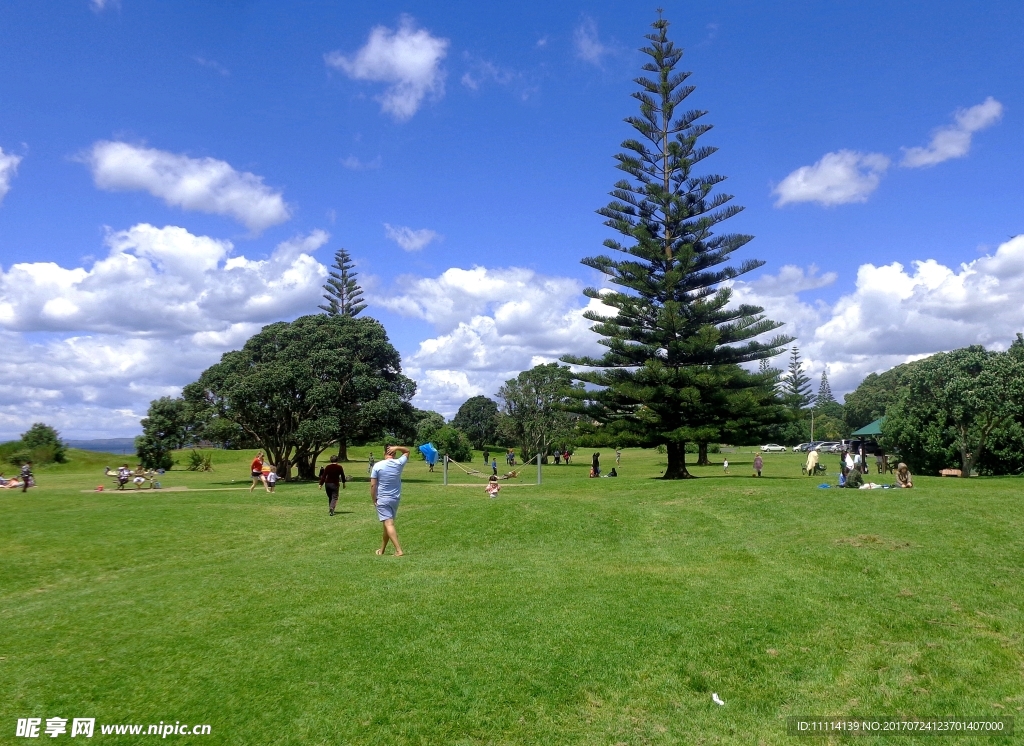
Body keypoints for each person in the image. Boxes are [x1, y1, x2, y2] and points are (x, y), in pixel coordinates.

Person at [370, 445, 410, 556]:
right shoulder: (399, 463)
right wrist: (397, 447)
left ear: (384, 453)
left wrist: (374, 499)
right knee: (387, 526)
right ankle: (382, 550)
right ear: (394, 453)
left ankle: (398, 550)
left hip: (383, 498)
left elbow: (373, 485)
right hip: (395, 499)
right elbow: (407, 451)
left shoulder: (377, 466)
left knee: (389, 524)